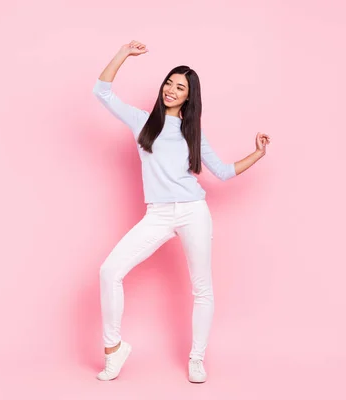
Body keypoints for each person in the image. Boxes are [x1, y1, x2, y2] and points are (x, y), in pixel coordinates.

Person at [92, 40, 270, 383]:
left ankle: (197, 358)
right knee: (109, 271)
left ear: (190, 96)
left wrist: (258, 153)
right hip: (157, 214)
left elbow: (223, 172)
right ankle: (114, 349)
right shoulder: (142, 121)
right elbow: (102, 92)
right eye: (169, 83)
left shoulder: (193, 133)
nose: (171, 90)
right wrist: (123, 54)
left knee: (202, 287)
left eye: (180, 87)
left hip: (193, 211)